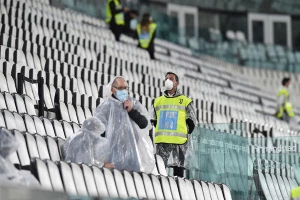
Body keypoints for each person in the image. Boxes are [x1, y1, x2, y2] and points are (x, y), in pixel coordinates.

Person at [94, 76, 155, 173]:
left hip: (132, 154)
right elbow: (98, 133)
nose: (123, 91)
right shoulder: (105, 107)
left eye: (125, 88)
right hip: (112, 155)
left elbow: (144, 124)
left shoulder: (133, 103)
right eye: (120, 88)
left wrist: (131, 110)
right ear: (112, 89)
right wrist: (101, 160)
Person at [150, 72, 197, 177]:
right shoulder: (157, 101)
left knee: (178, 171)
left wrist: (184, 132)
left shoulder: (185, 101)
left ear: (177, 83)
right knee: (159, 170)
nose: (168, 81)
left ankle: (177, 190)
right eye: (166, 78)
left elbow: (192, 121)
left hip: (179, 141)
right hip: (162, 141)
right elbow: (153, 120)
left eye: (171, 79)